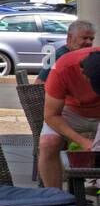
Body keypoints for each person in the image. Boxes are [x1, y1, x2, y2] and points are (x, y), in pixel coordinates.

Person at [40, 47, 100, 189]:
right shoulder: (63, 68)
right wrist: (83, 142)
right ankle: (55, 198)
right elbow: (51, 115)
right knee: (48, 142)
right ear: (83, 74)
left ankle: (96, 188)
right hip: (72, 111)